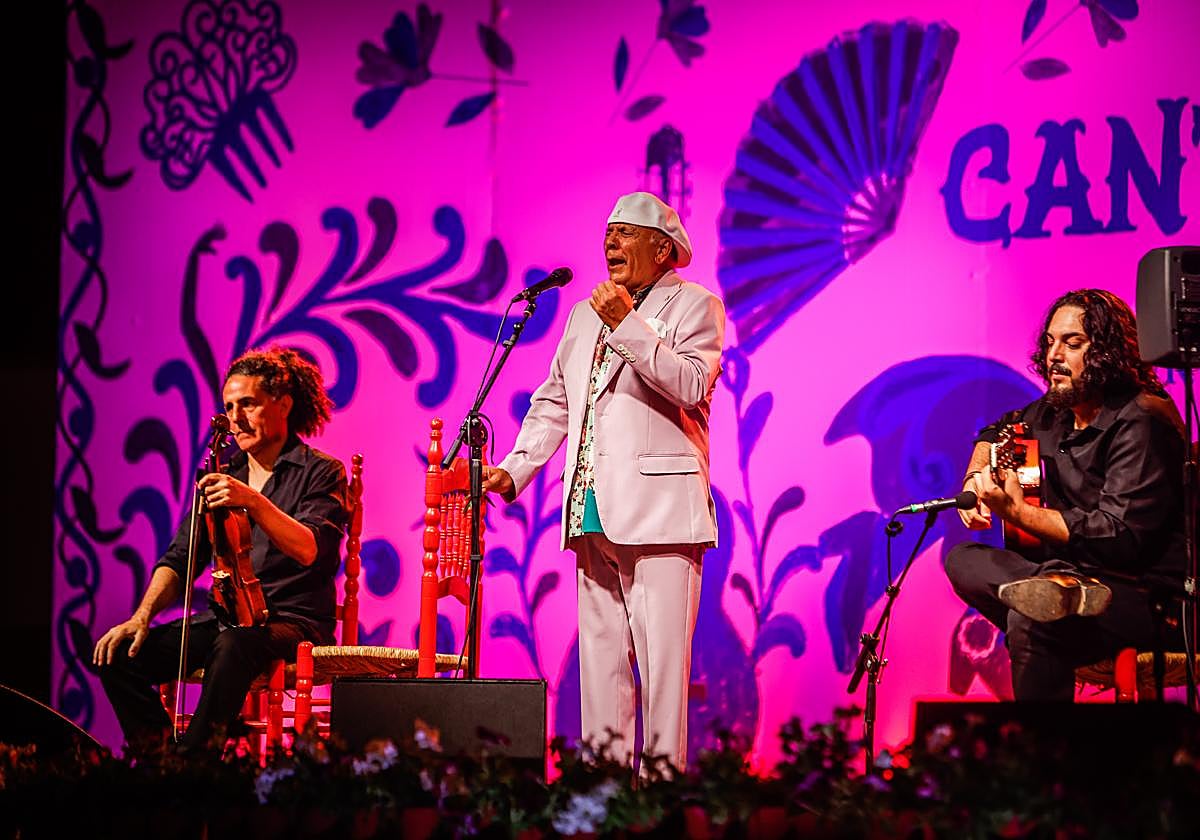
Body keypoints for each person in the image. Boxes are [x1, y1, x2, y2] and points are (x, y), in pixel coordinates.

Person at [483, 192, 725, 769]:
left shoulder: (696, 306)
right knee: (602, 666)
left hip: (662, 510)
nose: (610, 243)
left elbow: (691, 385)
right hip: (591, 508)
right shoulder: (585, 313)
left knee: (663, 671)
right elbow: (555, 401)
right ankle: (603, 797)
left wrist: (628, 324)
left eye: (625, 233)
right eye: (607, 232)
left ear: (662, 247)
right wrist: (514, 468)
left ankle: (661, 802)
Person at [94, 347, 348, 750]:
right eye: (230, 406)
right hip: (231, 619)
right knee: (121, 655)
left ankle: (192, 765)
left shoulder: (322, 470)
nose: (235, 418)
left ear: (283, 405)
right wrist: (141, 617)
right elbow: (180, 558)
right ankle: (158, 761)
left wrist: (253, 500)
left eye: (248, 403)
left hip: (295, 622)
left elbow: (310, 549)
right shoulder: (223, 475)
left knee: (233, 645)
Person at [945, 289, 1187, 701]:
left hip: (1145, 599)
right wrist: (974, 478)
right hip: (1070, 577)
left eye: (1072, 344)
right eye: (1050, 342)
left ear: (1107, 353)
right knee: (963, 559)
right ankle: (1053, 588)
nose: (1054, 355)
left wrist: (1018, 513)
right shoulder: (1054, 411)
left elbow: (1120, 537)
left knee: (1032, 621)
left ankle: (1046, 757)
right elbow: (994, 432)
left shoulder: (1142, 418)